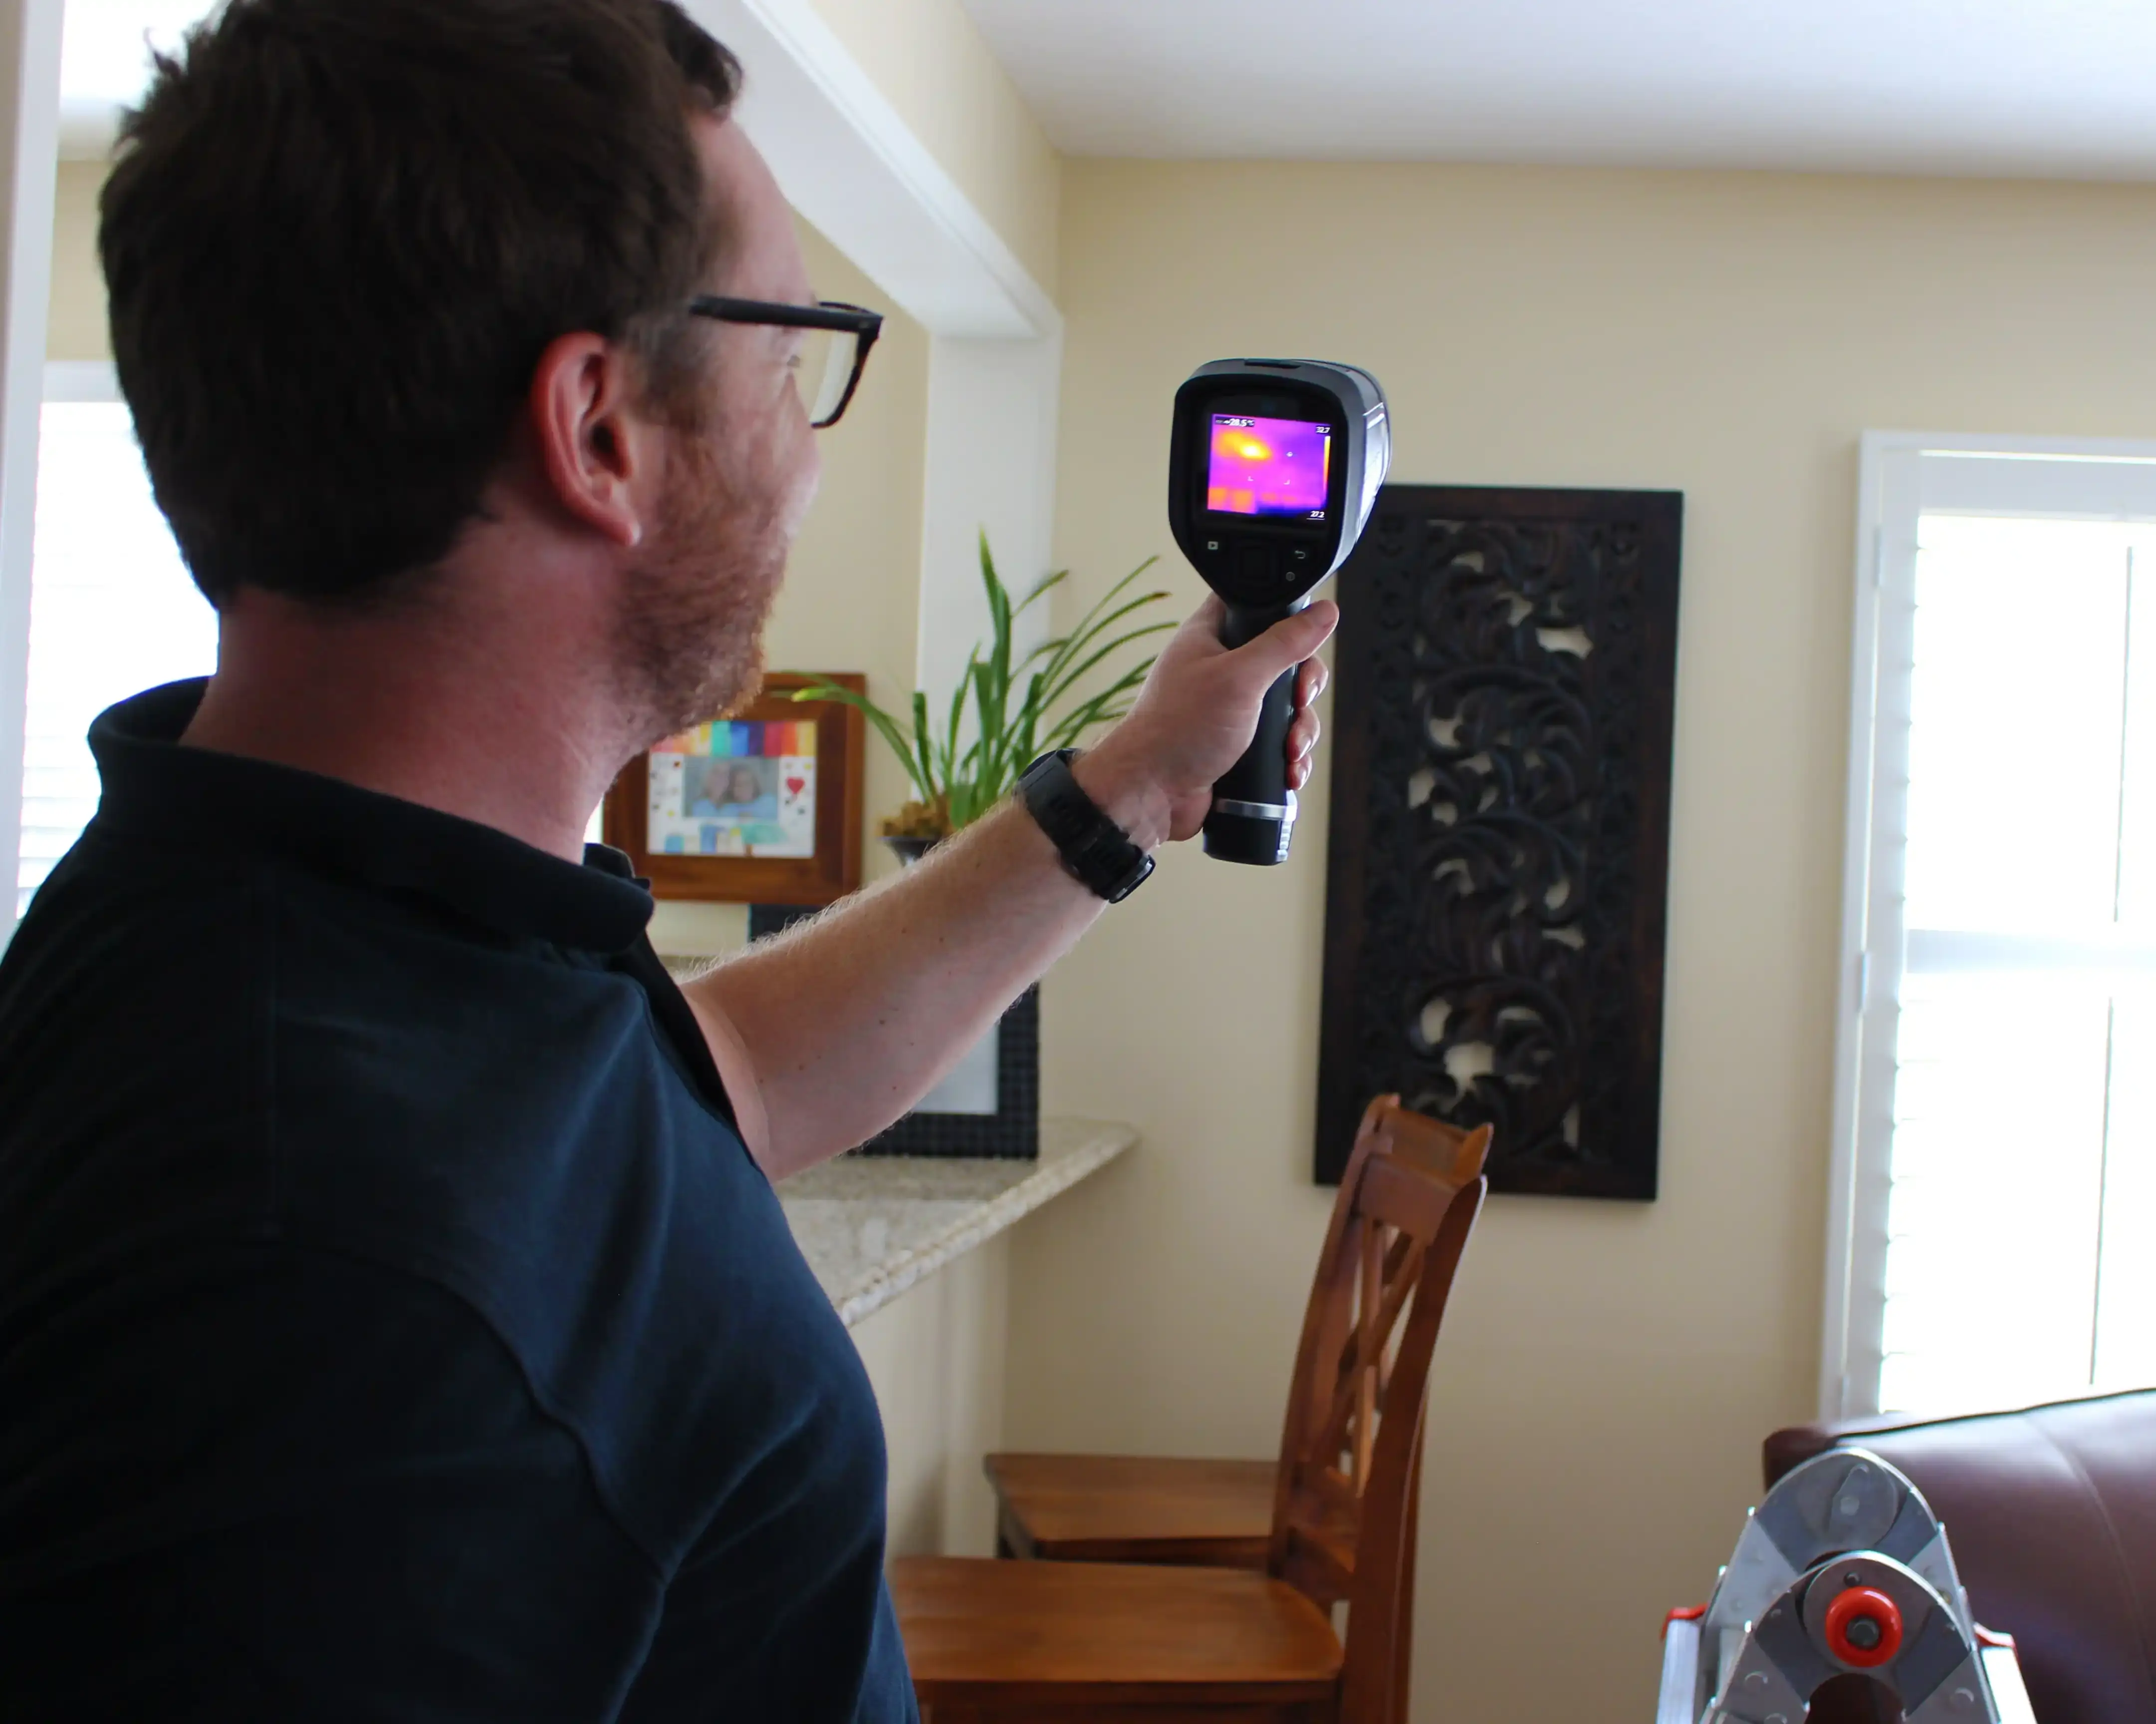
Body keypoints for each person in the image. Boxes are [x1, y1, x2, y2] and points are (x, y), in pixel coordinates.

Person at [0, 1, 1335, 1719]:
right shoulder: (338, 1302)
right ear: (598, 427)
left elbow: (721, 1085)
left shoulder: (338, 910)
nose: (807, 440)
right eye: (791, 356)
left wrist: (1137, 789)